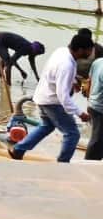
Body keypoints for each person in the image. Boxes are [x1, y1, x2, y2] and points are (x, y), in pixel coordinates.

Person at [11, 30, 96, 162]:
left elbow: (54, 73)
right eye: (89, 50)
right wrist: (80, 113)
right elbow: (63, 97)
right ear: (80, 50)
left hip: (42, 96)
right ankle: (62, 163)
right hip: (52, 102)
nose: (91, 54)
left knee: (47, 126)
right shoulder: (66, 65)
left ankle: (18, 150)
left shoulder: (62, 51)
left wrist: (73, 81)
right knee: (72, 133)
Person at [86, 44, 103, 162]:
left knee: (98, 138)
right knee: (97, 139)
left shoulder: (98, 62)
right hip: (100, 107)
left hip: (93, 105)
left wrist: (89, 101)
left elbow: (89, 82)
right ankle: (89, 163)